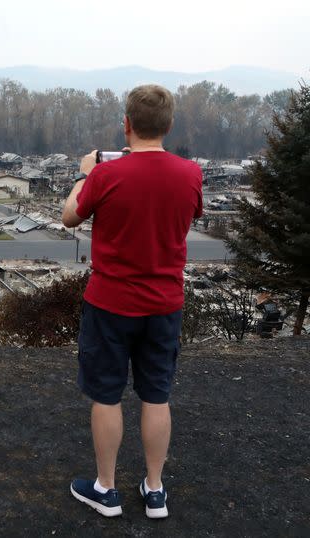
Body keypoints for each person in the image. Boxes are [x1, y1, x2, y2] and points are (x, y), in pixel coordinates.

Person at [61, 85, 203, 519]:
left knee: (106, 395)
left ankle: (106, 488)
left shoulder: (105, 175)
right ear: (168, 126)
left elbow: (69, 217)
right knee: (156, 395)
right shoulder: (190, 174)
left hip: (110, 303)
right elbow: (188, 215)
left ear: (127, 124)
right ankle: (155, 489)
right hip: (164, 304)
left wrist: (85, 174)